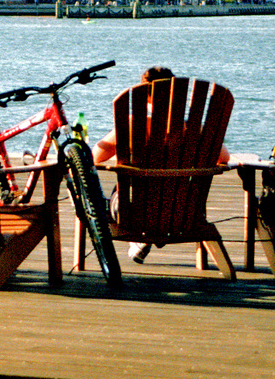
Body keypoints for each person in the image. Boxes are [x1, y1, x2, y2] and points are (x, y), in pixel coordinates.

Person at [92, 66, 231, 262]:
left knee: (104, 198)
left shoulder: (131, 124)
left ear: (146, 97)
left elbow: (94, 158)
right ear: (175, 95)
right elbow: (224, 158)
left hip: (131, 211)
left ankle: (141, 238)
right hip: (183, 210)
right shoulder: (193, 129)